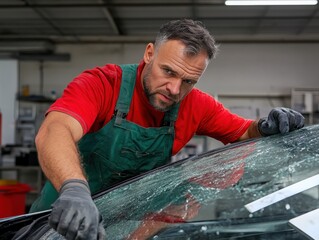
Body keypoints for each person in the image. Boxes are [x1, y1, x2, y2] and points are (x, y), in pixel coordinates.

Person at [29, 19, 304, 239]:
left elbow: (245, 132)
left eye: (188, 81)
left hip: (126, 228)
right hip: (59, 221)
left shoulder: (195, 105)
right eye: (169, 72)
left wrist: (268, 126)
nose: (174, 90)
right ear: (149, 53)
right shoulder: (102, 84)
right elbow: (56, 130)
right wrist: (74, 189)